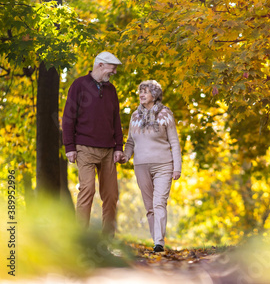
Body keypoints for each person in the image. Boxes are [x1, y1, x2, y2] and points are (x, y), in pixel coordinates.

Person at [62, 51, 125, 237]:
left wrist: (119, 147)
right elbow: (68, 118)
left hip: (108, 150)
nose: (113, 72)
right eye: (111, 69)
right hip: (84, 147)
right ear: (100, 65)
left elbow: (116, 120)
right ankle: (82, 239)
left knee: (112, 195)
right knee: (87, 189)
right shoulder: (79, 86)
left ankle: (107, 240)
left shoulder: (111, 90)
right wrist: (70, 147)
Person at [122, 80, 182, 253]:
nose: (141, 95)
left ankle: (159, 243)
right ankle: (155, 239)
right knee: (149, 207)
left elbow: (174, 142)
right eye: (140, 92)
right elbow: (130, 142)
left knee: (159, 203)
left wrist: (177, 167)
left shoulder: (166, 114)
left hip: (164, 165)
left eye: (145, 92)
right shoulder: (134, 116)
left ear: (154, 95)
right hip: (141, 166)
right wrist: (125, 156)